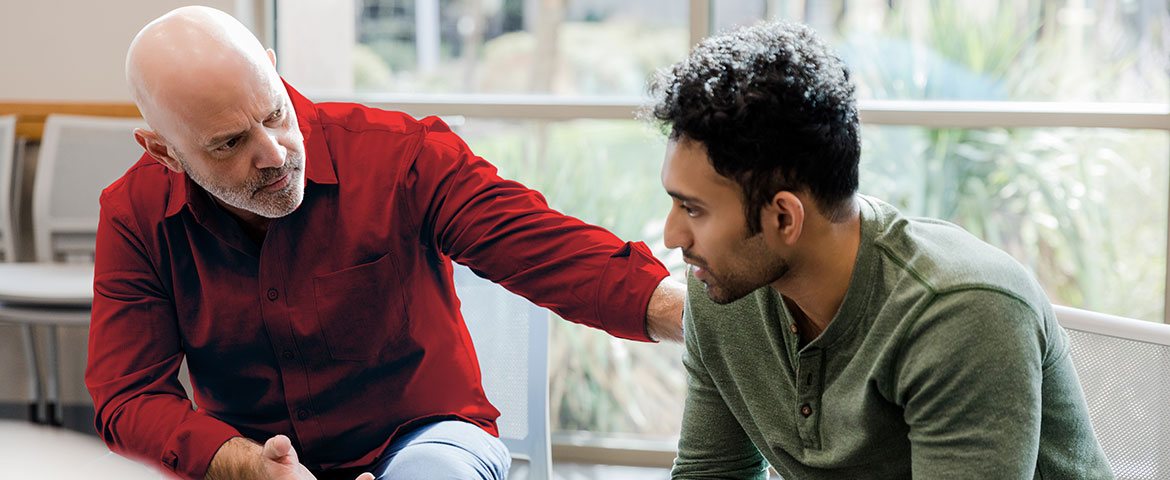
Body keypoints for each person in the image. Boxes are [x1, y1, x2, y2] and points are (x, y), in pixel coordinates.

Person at [86, 6, 684, 480]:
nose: (274, 154)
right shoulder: (135, 216)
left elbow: (538, 246)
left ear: (272, 69)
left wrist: (690, 314)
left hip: (427, 438)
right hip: (256, 458)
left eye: (274, 114)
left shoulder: (397, 155)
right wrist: (244, 465)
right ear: (164, 152)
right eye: (229, 144)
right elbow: (128, 396)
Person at [651, 21, 1112, 479]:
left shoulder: (958, 313)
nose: (673, 236)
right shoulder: (725, 292)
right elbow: (710, 472)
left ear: (785, 218)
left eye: (692, 209)